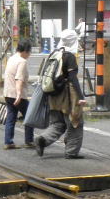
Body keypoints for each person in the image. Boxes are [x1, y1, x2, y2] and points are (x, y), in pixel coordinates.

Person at [35, 29, 87, 159]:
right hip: (67, 96)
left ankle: (43, 139)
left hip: (52, 95)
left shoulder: (54, 53)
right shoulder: (69, 56)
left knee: (58, 123)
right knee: (75, 122)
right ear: (73, 41)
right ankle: (71, 152)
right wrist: (80, 97)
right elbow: (73, 79)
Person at [2, 39, 34, 150]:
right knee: (30, 116)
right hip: (17, 95)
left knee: (11, 117)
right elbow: (19, 79)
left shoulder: (12, 58)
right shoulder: (22, 61)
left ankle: (8, 142)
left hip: (7, 93)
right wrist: (19, 94)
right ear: (25, 51)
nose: (29, 54)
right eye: (29, 52)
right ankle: (29, 141)